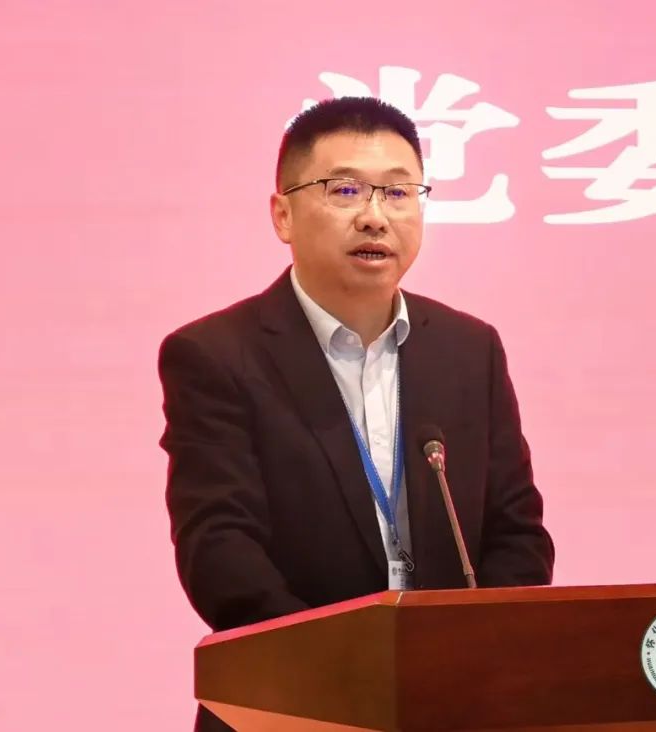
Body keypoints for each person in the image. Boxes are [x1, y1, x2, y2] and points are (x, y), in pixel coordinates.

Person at [158, 96, 554, 731]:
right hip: (289, 705)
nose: (375, 217)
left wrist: (471, 656)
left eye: (398, 193)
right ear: (283, 214)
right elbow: (220, 550)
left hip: (452, 703)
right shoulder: (216, 356)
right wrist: (344, 673)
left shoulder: (469, 348)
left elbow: (517, 533)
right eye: (344, 190)